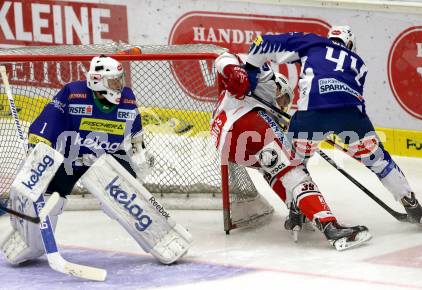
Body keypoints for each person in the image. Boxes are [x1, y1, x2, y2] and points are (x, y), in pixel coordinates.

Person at [1, 55, 190, 265]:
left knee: (125, 194)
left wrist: (139, 160)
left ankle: (161, 237)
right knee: (46, 199)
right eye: (114, 81)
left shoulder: (127, 98)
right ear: (97, 80)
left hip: (107, 160)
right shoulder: (73, 93)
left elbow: (135, 136)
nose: (119, 86)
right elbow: (49, 120)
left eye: (120, 79)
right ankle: (30, 243)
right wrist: (37, 145)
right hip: (69, 159)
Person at [244, 26, 422, 227]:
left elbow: (262, 42)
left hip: (311, 113)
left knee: (294, 164)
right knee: (379, 161)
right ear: (349, 44)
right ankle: (411, 203)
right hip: (351, 116)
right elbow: (352, 97)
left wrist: (250, 72)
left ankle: (296, 211)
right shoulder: (359, 64)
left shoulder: (313, 42)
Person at [210, 51, 371, 250]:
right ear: (279, 87)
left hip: (226, 141)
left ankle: (297, 209)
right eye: (284, 98)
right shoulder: (265, 77)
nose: (282, 105)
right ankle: (331, 227)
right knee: (296, 172)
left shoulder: (268, 111)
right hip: (243, 122)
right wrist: (234, 71)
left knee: (274, 170)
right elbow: (224, 58)